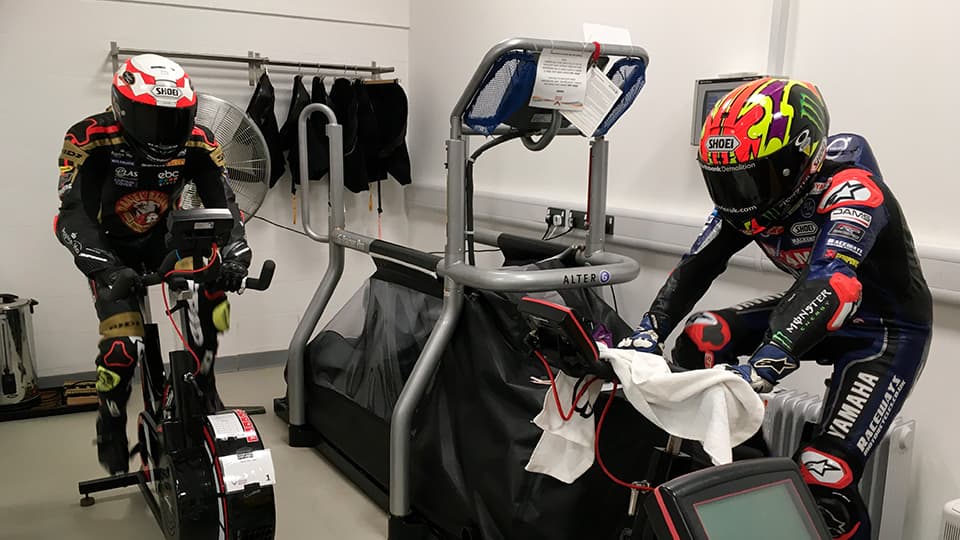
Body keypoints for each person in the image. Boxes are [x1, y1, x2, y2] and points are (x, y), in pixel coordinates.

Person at [618, 78, 931, 540]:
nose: (736, 196)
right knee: (701, 339)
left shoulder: (854, 191)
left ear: (800, 162)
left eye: (748, 179)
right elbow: (698, 265)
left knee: (828, 474)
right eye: (722, 181)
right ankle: (753, 475)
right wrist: (647, 332)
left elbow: (832, 285)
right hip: (815, 304)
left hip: (884, 331)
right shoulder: (747, 203)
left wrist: (766, 364)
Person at [54, 54, 252, 475]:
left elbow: (225, 204)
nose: (166, 133)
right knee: (122, 348)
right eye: (152, 119)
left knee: (214, 294)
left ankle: (207, 375)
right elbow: (72, 215)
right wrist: (105, 270)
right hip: (111, 251)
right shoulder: (89, 136)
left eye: (176, 120)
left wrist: (236, 251)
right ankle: (110, 419)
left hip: (168, 240)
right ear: (122, 108)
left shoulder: (200, 140)